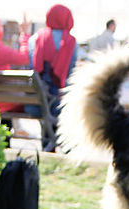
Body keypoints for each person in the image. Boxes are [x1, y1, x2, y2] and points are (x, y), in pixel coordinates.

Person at [26, 4, 77, 150]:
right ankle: (57, 144)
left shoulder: (35, 39)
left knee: (47, 99)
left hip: (34, 103)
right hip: (59, 103)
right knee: (59, 100)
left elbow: (33, 69)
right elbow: (71, 73)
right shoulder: (71, 42)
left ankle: (48, 144)